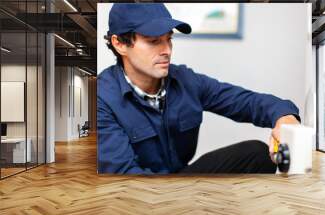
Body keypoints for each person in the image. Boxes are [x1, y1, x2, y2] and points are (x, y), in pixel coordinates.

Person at [97, 3, 300, 174]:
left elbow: (245, 102)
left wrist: (285, 117)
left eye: (169, 39)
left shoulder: (187, 81)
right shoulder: (103, 97)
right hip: (138, 197)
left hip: (183, 182)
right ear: (120, 44)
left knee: (256, 153)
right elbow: (122, 174)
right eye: (153, 41)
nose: (167, 50)